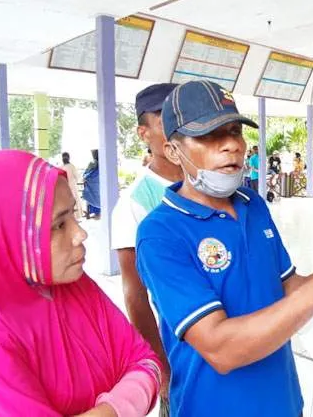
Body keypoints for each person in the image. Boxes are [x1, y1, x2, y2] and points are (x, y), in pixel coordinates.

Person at [135, 80, 313, 417]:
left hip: (283, 402)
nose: (231, 145)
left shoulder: (252, 204)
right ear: (173, 150)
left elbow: (290, 288)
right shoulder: (160, 234)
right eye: (210, 135)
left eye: (234, 131)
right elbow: (220, 348)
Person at [0, 150, 160, 416]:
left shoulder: (73, 287)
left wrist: (112, 409)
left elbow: (145, 361)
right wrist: (123, 403)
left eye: (73, 214)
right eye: (59, 225)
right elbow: (142, 373)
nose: (80, 234)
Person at [111, 83, 182, 416]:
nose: (178, 125)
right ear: (143, 132)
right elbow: (135, 296)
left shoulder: (215, 186)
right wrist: (162, 367)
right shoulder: (136, 202)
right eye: (165, 118)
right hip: (180, 351)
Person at [60, 152, 82, 219]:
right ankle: (75, 217)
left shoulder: (61, 167)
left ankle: (69, 218)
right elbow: (77, 177)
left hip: (65, 188)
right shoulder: (72, 166)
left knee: (67, 203)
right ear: (69, 158)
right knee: (74, 201)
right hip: (72, 187)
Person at [83, 149, 101, 219]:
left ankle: (96, 213)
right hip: (97, 185)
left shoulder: (92, 164)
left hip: (94, 185)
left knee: (93, 197)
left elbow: (86, 174)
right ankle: (98, 213)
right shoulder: (103, 163)